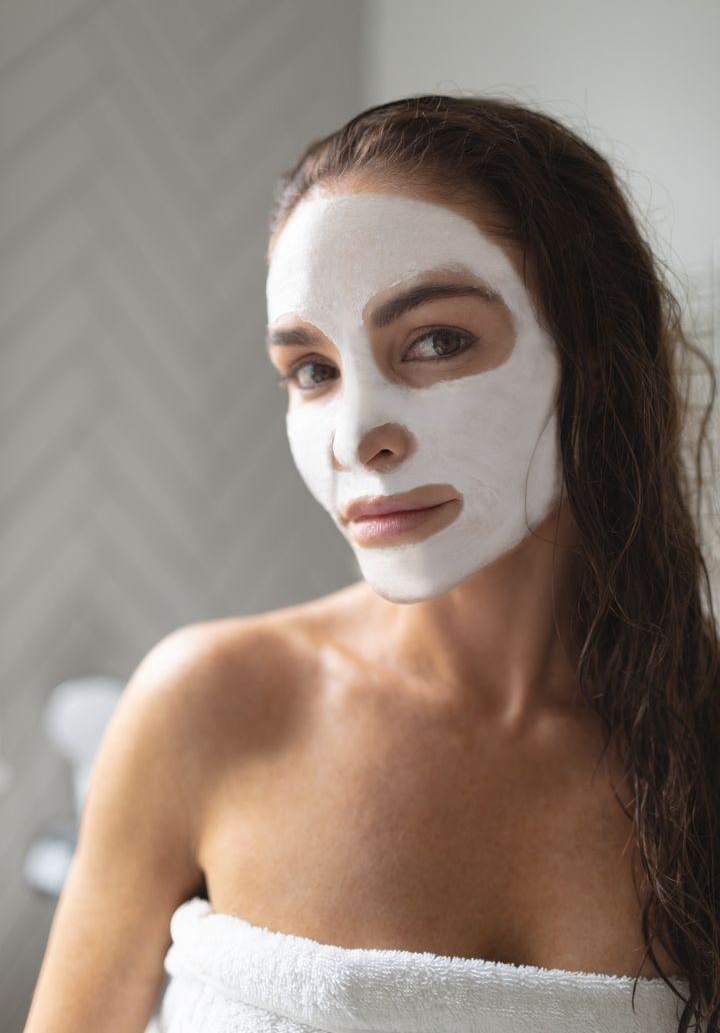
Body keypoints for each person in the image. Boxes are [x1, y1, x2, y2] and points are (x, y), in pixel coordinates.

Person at [24, 95, 719, 1033]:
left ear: (595, 356)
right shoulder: (207, 706)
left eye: (435, 341)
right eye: (312, 370)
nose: (358, 436)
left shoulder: (700, 728)